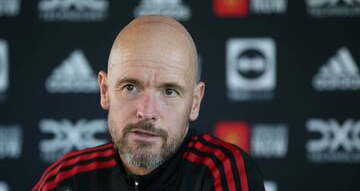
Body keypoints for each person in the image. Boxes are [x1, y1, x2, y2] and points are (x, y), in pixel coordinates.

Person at [32, 15, 265, 191]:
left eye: (169, 91)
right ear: (105, 91)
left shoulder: (221, 171)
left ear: (194, 103)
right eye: (131, 87)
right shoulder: (66, 178)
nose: (146, 112)